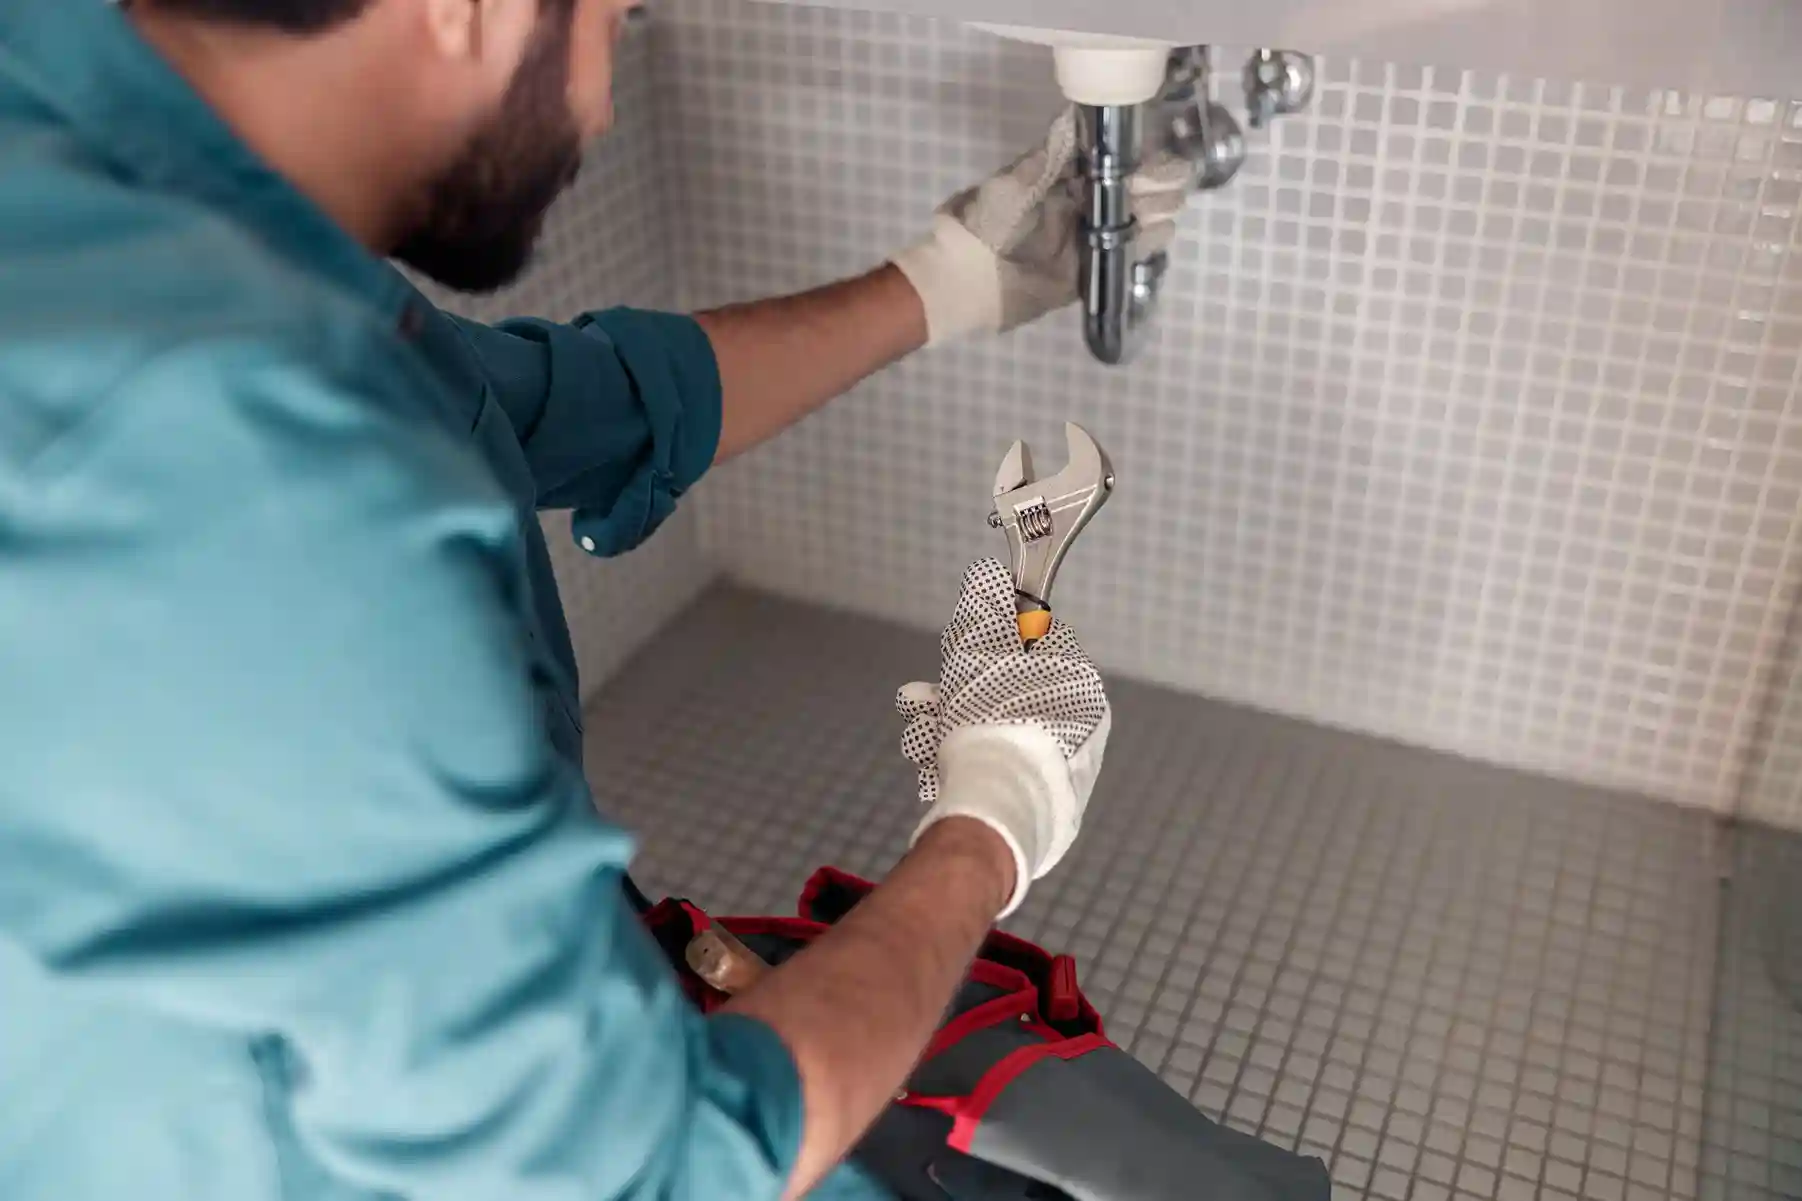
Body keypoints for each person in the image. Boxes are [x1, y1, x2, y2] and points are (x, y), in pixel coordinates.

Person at [0, 2, 1186, 1198]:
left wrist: (947, 283)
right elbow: (668, 1166)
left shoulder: (89, 133)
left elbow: (523, 405)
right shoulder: (257, 476)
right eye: (616, 19)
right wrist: (994, 817)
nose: (607, 101)